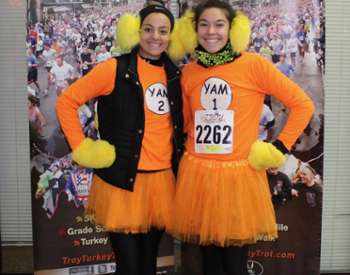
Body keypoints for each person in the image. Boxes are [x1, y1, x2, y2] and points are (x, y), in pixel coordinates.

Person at [168, 1, 314, 274]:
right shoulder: (189, 72)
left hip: (238, 178)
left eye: (219, 24)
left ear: (232, 29)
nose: (211, 31)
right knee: (209, 262)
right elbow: (189, 123)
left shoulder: (254, 65)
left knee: (234, 264)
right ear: (194, 30)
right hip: (198, 177)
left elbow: (302, 104)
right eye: (204, 24)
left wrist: (278, 148)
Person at [56, 3, 183, 275]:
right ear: (136, 31)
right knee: (128, 265)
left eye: (163, 31)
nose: (155, 36)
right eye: (148, 29)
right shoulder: (113, 68)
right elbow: (67, 101)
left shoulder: (175, 75)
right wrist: (82, 147)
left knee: (149, 262)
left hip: (162, 183)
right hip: (122, 182)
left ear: (171, 36)